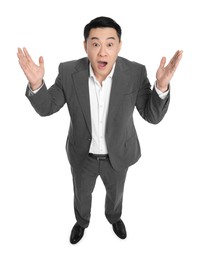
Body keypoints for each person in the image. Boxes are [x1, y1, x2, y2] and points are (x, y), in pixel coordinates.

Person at [17, 16, 183, 244]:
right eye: (95, 44)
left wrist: (161, 86)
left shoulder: (135, 73)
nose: (102, 52)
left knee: (116, 195)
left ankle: (114, 217)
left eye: (109, 44)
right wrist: (37, 84)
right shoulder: (68, 72)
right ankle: (82, 221)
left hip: (119, 154)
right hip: (82, 155)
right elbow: (47, 107)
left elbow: (151, 115)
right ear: (85, 45)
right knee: (81, 195)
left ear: (119, 46)